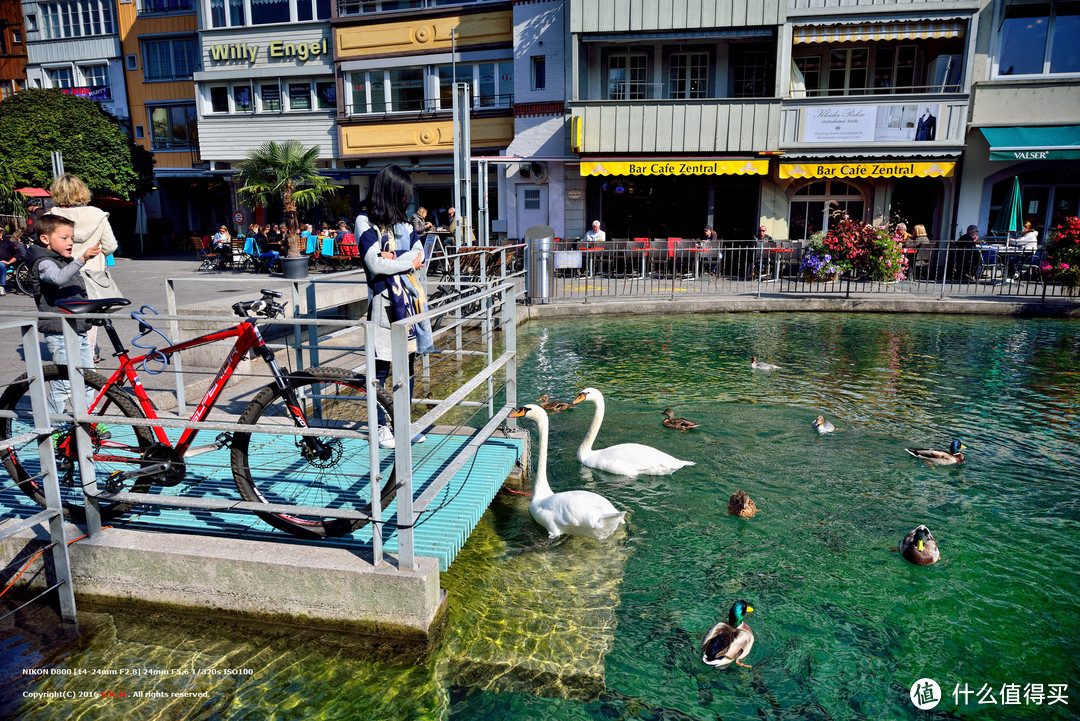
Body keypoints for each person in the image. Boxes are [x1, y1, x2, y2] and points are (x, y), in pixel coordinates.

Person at [355, 165, 433, 448]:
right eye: (402, 194)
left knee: (407, 368)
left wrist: (393, 258)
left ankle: (402, 423)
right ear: (390, 193)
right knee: (380, 370)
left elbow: (419, 253)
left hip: (409, 304)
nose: (406, 200)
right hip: (382, 306)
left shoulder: (404, 224)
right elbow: (374, 263)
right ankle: (378, 426)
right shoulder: (365, 222)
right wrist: (405, 261)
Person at [26, 214, 102, 415]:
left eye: (72, 238)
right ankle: (53, 425)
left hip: (78, 328)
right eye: (64, 238)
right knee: (65, 381)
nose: (70, 242)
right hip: (59, 331)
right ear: (45, 239)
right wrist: (82, 259)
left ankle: (88, 421)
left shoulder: (63, 260)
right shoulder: (43, 262)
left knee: (88, 378)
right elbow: (58, 279)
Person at [49, 174, 122, 363]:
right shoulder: (97, 215)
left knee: (65, 319)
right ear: (82, 191)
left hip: (63, 274)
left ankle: (72, 364)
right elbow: (111, 246)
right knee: (89, 321)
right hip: (92, 273)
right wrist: (97, 254)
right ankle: (88, 365)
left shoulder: (51, 217)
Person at [0, 228, 23, 296]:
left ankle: (1, 286)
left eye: (0, 232)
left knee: (1, 264)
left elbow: (18, 253)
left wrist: (10, 261)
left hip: (5, 264)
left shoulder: (8, 243)